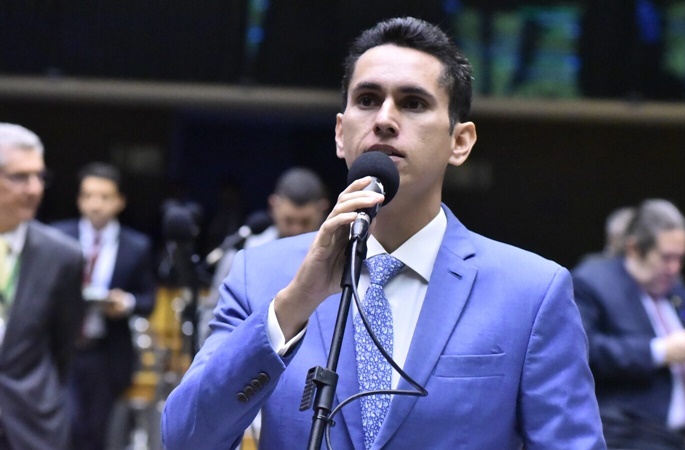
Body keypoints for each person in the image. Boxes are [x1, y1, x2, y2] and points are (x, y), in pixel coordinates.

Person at [162, 17, 605, 450]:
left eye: (413, 103)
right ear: (340, 133)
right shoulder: (262, 274)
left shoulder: (531, 292)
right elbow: (185, 439)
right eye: (368, 99)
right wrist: (294, 305)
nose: (385, 119)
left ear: (460, 142)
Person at [572, 198, 685, 450]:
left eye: (681, 258)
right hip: (630, 436)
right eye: (667, 258)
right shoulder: (593, 282)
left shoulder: (680, 293)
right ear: (634, 248)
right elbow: (586, 350)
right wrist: (660, 351)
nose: (675, 268)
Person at [51, 162, 156, 450]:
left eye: (104, 197)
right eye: (88, 196)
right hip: (63, 347)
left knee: (97, 433)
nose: (95, 204)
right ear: (79, 199)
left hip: (106, 350)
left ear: (120, 201)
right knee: (65, 426)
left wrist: (126, 302)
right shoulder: (56, 237)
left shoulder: (137, 246)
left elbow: (148, 300)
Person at [0, 123, 84, 449]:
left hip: (31, 424)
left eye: (40, 176)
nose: (34, 189)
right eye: (20, 177)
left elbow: (63, 347)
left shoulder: (62, 256)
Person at [197, 166, 329, 347]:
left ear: (322, 209)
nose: (296, 230)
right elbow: (211, 323)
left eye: (305, 222)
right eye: (289, 220)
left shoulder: (337, 259)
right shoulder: (243, 255)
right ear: (274, 205)